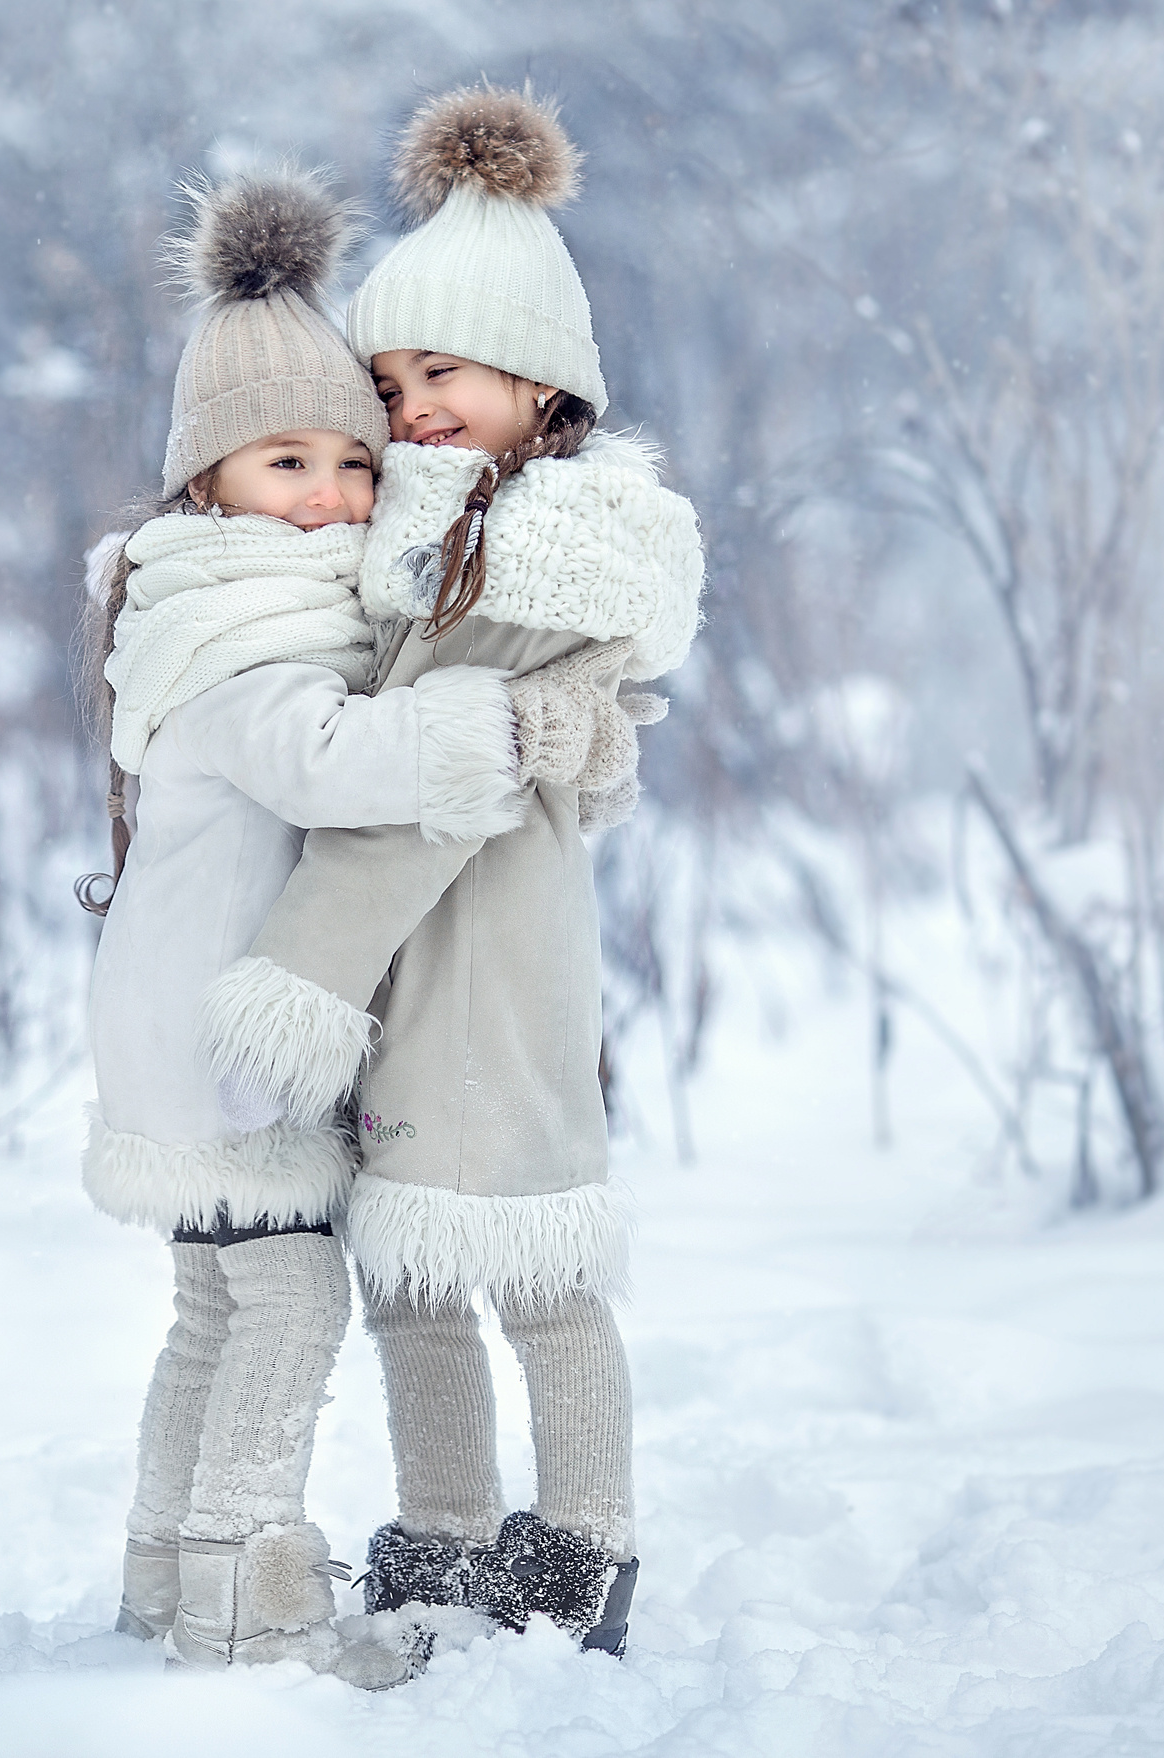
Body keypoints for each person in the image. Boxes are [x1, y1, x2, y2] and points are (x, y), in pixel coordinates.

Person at [198, 86, 707, 1658]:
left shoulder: (542, 550)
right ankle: (448, 1532)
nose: (412, 404)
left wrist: (299, 973)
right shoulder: (439, 526)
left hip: (479, 954)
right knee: (419, 1270)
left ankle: (588, 1543)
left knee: (534, 1261)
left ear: (540, 384)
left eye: (448, 373)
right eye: (395, 375)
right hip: (432, 964)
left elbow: (425, 796)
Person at [81, 165, 554, 1686]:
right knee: (290, 1301)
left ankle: (166, 1572)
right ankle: (255, 1600)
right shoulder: (254, 631)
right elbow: (327, 758)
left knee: (210, 1312)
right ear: (207, 477)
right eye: (287, 461)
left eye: (356, 464)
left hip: (164, 1020)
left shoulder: (186, 602)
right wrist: (483, 724)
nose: (334, 497)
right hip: (229, 1035)